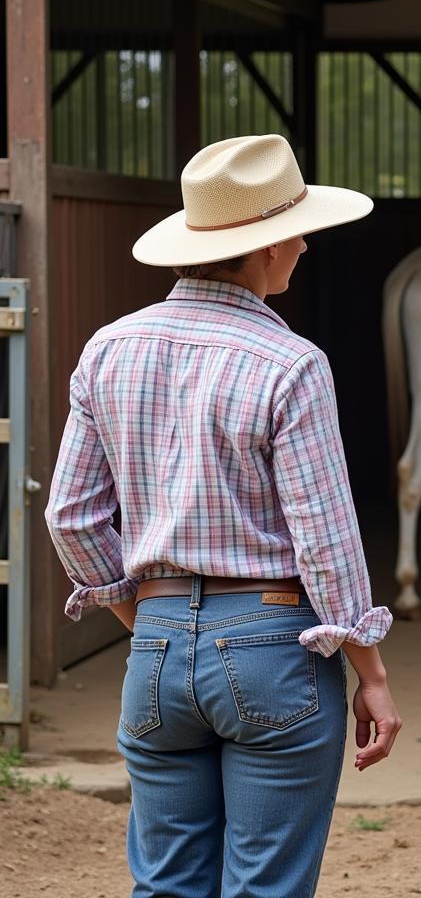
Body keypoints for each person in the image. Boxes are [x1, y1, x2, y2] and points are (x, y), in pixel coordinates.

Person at [45, 134, 401, 898]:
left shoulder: (107, 350)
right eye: (299, 231)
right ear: (268, 248)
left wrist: (149, 623)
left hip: (157, 652)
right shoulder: (291, 364)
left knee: (168, 886)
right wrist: (369, 670)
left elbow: (70, 516)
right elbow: (326, 537)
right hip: (275, 649)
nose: (306, 244)